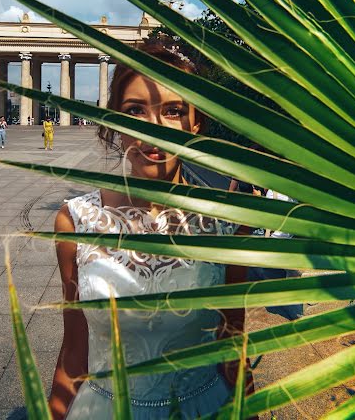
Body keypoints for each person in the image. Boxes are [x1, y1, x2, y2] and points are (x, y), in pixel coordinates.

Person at [49, 43, 248, 419]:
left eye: (172, 111)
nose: (153, 130)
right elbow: (74, 350)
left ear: (195, 124)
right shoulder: (75, 222)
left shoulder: (228, 225)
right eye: (134, 110)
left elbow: (233, 343)